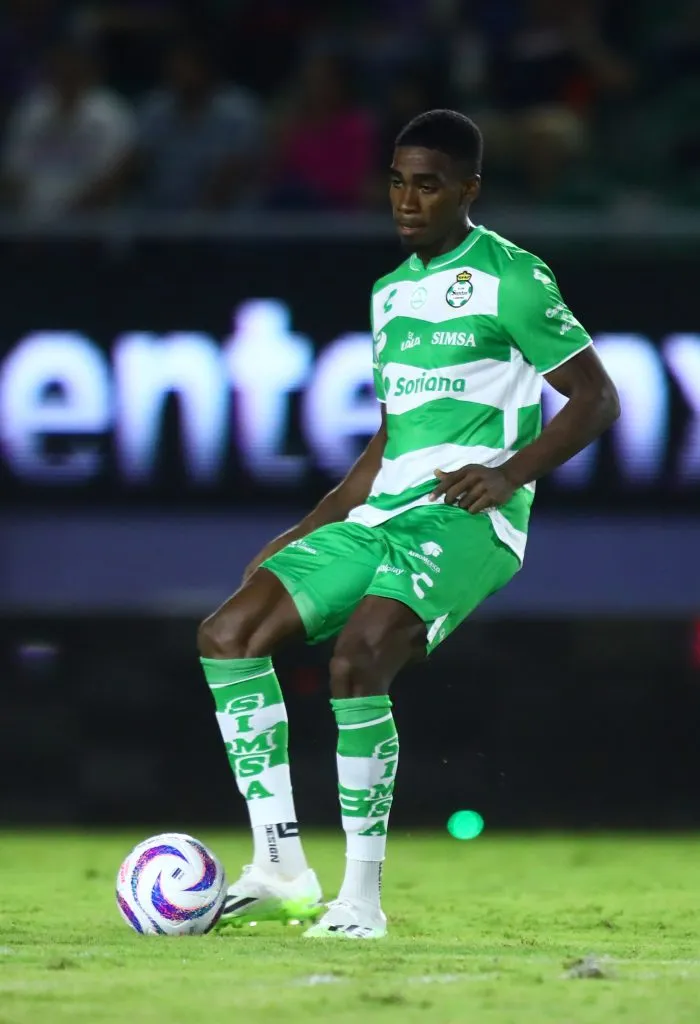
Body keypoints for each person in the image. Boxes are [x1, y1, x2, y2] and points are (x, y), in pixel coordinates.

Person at [197, 108, 620, 939]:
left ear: (469, 189)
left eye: (428, 185)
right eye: (397, 182)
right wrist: (310, 524)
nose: (408, 200)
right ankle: (280, 864)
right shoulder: (389, 294)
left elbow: (598, 399)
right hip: (384, 510)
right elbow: (392, 437)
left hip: (467, 517)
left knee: (358, 659)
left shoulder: (513, 277)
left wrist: (505, 476)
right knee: (228, 633)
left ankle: (360, 898)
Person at [1, 41, 135, 219]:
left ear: (88, 74)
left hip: (91, 218)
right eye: (60, 73)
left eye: (73, 73)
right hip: (32, 219)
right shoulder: (32, 110)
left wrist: (73, 211)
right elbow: (13, 171)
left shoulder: (110, 113)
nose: (66, 79)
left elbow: (117, 172)